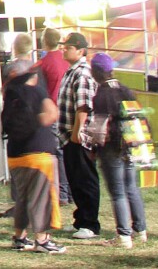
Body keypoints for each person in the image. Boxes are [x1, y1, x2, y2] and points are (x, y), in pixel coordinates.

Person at [2, 70, 65, 253]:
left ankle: (19, 238)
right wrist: (36, 121)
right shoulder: (37, 91)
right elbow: (52, 113)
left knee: (23, 199)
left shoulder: (10, 95)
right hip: (39, 154)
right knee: (42, 199)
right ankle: (42, 240)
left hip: (15, 155)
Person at [89, 53, 148, 248]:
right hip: (130, 145)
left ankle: (124, 236)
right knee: (131, 187)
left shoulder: (102, 95)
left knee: (118, 192)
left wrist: (93, 147)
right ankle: (140, 230)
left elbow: (100, 127)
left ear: (96, 71)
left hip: (111, 147)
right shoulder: (124, 90)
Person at [56, 31, 101, 239]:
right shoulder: (72, 71)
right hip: (69, 135)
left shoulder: (82, 73)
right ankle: (81, 219)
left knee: (85, 179)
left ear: (81, 50)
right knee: (76, 179)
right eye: (63, 46)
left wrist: (77, 132)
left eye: (68, 47)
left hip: (79, 136)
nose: (64, 50)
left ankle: (90, 224)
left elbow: (83, 106)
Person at [32, 27, 70, 204]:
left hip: (53, 111)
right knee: (68, 152)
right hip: (67, 110)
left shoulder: (43, 64)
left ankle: (62, 192)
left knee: (57, 153)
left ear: (44, 41)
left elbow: (39, 91)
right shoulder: (66, 60)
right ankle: (70, 191)